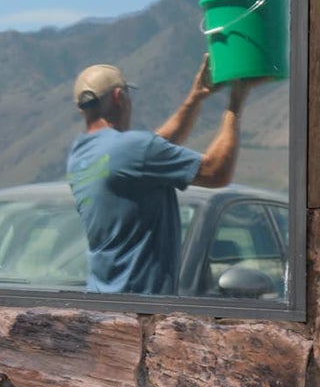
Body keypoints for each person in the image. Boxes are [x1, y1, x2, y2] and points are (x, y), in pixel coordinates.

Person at [67, 57, 256, 296]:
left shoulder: (80, 155)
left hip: (101, 303)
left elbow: (153, 149)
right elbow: (216, 172)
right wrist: (235, 106)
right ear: (119, 97)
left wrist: (195, 97)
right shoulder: (134, 149)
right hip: (141, 310)